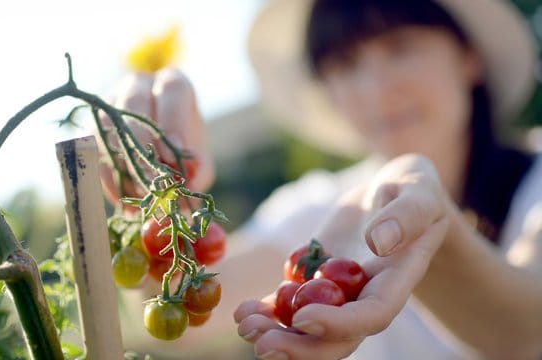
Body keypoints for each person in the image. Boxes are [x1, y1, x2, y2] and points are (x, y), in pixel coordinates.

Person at [100, 0, 542, 359]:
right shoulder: (325, 210)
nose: (374, 87)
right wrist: (155, 191)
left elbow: (527, 334)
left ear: (469, 57)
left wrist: (434, 233)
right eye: (346, 64)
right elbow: (180, 306)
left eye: (400, 46)